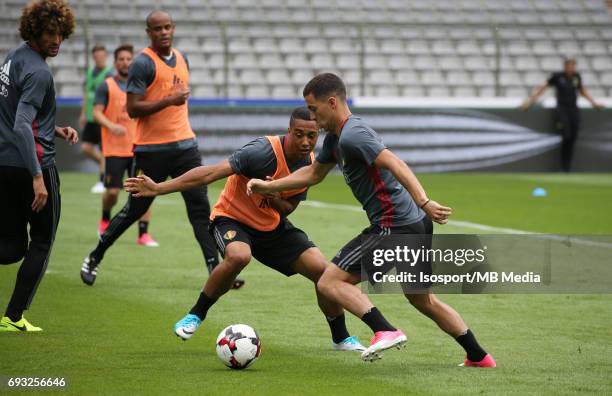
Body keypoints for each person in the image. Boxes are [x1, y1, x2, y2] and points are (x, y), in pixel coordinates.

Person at [247, 73, 496, 366]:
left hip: (395, 225)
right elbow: (314, 174)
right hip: (412, 224)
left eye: (314, 110)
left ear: (331, 102)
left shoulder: (353, 134)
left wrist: (424, 200)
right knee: (422, 299)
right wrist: (269, 186)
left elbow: (393, 162)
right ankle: (479, 356)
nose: (312, 118)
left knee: (329, 281)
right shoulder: (336, 139)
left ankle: (384, 329)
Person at [124, 107, 375, 352]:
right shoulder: (261, 151)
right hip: (231, 219)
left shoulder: (309, 165)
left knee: (324, 272)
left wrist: (272, 192)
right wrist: (159, 188)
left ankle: (340, 338)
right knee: (238, 256)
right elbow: (209, 174)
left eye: (312, 135)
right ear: (289, 130)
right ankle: (195, 315)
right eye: (299, 134)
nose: (305, 141)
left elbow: (287, 208)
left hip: (271, 227)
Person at [79, 10, 222, 287]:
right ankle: (95, 257)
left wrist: (173, 102)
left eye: (168, 27)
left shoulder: (183, 59)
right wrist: (169, 100)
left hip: (186, 147)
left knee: (200, 209)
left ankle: (215, 270)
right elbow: (133, 108)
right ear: (149, 32)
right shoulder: (143, 63)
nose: (164, 32)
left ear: (174, 28)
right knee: (134, 210)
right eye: (158, 28)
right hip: (151, 151)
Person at [0, 0, 78, 332]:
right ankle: (13, 317)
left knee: (11, 247)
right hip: (33, 165)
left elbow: (17, 114)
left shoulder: (13, 58)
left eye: (60, 34)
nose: (56, 41)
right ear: (34, 31)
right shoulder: (39, 72)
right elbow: (21, 125)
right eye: (49, 33)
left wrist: (53, 128)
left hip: (4, 163)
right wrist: (37, 177)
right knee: (42, 242)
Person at [92, 44, 158, 246]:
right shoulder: (107, 85)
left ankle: (143, 234)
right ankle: (105, 219)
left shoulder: (141, 86)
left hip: (139, 148)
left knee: (144, 190)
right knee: (112, 192)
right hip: (114, 149)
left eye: (129, 59)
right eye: (121, 59)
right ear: (115, 62)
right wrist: (112, 126)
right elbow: (96, 112)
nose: (125, 62)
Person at [522, 58, 605, 172]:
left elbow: (582, 91)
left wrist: (594, 103)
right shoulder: (557, 76)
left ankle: (567, 167)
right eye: (570, 66)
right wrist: (530, 101)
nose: (572, 68)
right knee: (566, 135)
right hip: (562, 108)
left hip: (574, 109)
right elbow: (543, 88)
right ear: (565, 66)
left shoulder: (576, 77)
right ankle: (562, 166)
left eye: (573, 66)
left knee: (572, 137)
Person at [80, 45, 113, 193]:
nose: (99, 58)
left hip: (102, 118)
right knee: (86, 147)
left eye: (102, 56)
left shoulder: (109, 74)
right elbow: (86, 95)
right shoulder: (90, 73)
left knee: (104, 150)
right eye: (97, 56)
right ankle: (107, 165)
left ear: (106, 56)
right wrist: (82, 114)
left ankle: (102, 181)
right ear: (94, 57)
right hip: (90, 117)